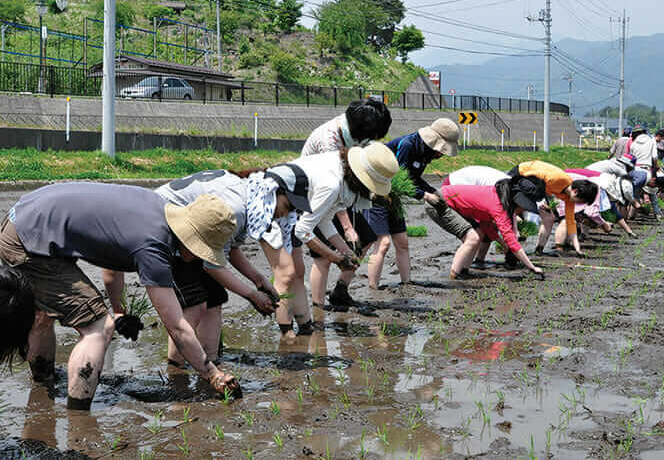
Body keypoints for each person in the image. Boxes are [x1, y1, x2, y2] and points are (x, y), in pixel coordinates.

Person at [0, 184, 241, 409]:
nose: (200, 258)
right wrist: (212, 374)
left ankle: (43, 384)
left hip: (22, 221)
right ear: (192, 239)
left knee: (44, 314)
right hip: (29, 239)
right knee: (97, 326)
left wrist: (119, 310)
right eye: (202, 252)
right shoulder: (153, 246)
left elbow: (111, 261)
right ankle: (78, 416)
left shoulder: (156, 208)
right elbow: (176, 326)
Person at [102, 164, 313, 362]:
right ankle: (177, 371)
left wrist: (259, 281)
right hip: (166, 231)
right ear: (272, 190)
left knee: (214, 299)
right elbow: (212, 265)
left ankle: (210, 362)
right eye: (287, 206)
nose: (285, 214)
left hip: (195, 237)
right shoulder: (235, 207)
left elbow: (229, 250)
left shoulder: (249, 197)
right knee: (193, 304)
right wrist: (251, 295)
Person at [301, 99, 392, 307]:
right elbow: (330, 184)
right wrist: (347, 226)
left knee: (367, 238)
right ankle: (318, 308)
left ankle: (341, 290)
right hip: (317, 196)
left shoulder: (357, 134)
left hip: (342, 193)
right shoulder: (329, 140)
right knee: (323, 256)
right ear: (361, 130)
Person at [290, 143, 398, 314]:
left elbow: (325, 220)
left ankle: (314, 317)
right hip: (278, 205)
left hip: (296, 205)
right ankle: (308, 320)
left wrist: (346, 251)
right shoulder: (332, 184)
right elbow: (302, 230)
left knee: (292, 273)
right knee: (288, 273)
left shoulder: (341, 172)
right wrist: (337, 258)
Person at [364, 118, 459, 289]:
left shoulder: (425, 153)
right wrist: (425, 196)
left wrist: (433, 191)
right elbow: (398, 179)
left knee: (402, 242)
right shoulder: (408, 146)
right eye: (441, 150)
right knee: (383, 243)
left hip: (394, 197)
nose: (441, 154)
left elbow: (413, 178)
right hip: (376, 193)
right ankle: (373, 289)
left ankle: (407, 283)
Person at [424, 176, 546, 279]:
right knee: (473, 238)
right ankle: (455, 274)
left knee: (479, 234)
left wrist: (503, 244)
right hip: (438, 203)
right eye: (524, 205)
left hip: (446, 201)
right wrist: (531, 267)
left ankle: (464, 270)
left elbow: (485, 225)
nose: (524, 209)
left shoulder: (499, 196)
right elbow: (511, 239)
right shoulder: (498, 205)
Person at [509, 161, 598, 256]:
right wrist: (541, 200)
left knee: (549, 217)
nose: (578, 204)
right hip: (520, 175)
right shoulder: (558, 179)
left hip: (535, 188)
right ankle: (511, 244)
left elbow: (570, 222)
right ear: (575, 192)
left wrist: (577, 249)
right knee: (513, 210)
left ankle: (539, 250)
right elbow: (533, 176)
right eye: (580, 201)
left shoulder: (569, 197)